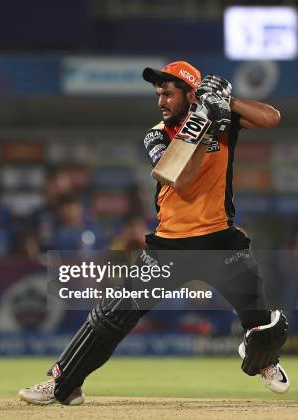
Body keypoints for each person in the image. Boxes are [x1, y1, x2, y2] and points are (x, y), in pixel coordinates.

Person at [18, 61, 289, 405]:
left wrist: (225, 101)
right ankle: (63, 384)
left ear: (191, 94)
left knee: (261, 321)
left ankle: (264, 359)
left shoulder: (222, 120)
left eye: (168, 93)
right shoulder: (157, 134)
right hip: (169, 247)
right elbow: (178, 178)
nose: (161, 100)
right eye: (158, 93)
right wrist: (202, 124)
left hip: (221, 241)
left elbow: (271, 118)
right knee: (112, 316)